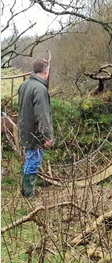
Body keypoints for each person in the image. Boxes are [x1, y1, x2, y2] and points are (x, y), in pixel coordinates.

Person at [17, 58, 55, 198]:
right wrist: (47, 136)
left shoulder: (25, 85)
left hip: (24, 130)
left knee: (29, 160)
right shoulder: (40, 89)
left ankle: (25, 191)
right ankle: (28, 193)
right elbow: (42, 115)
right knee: (33, 162)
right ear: (46, 70)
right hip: (35, 133)